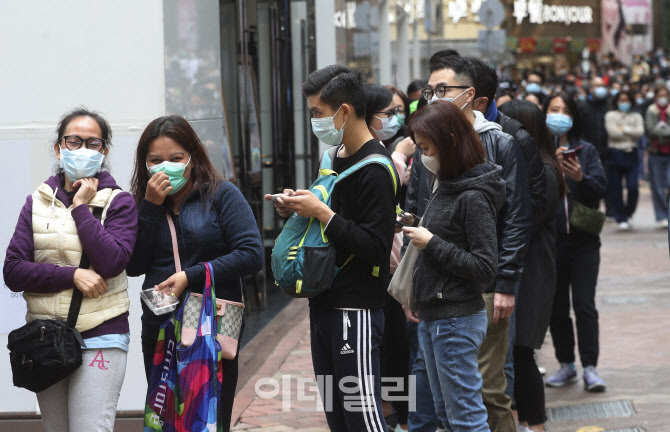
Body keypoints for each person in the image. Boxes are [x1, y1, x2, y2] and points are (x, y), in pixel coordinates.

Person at [267, 65, 397, 431]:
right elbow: (333, 222)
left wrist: (322, 213)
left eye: (317, 113)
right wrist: (300, 207)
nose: (314, 121)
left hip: (356, 307)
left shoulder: (376, 167)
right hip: (325, 300)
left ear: (344, 111)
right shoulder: (336, 156)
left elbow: (375, 247)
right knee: (338, 417)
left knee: (363, 417)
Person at [4, 108, 138, 432]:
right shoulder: (36, 202)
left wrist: (81, 209)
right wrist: (71, 275)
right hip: (46, 338)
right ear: (58, 148)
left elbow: (111, 263)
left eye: (92, 143)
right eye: (73, 141)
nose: (82, 150)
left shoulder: (118, 202)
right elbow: (13, 270)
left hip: (101, 333)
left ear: (104, 151)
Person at [127, 115, 263, 430]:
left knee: (211, 417)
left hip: (216, 318)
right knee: (167, 418)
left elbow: (251, 254)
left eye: (175, 159)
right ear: (144, 164)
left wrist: (192, 275)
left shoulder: (222, 195)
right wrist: (149, 206)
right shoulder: (142, 204)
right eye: (156, 160)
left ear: (192, 158)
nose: (166, 167)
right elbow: (133, 265)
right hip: (161, 321)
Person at [421, 55, 531, 432]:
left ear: (470, 95)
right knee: (448, 403)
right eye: (429, 90)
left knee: (485, 391)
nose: (433, 98)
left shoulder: (499, 144)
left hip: (477, 287)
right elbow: (422, 210)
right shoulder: (433, 149)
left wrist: (505, 283)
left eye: (442, 91)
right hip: (436, 291)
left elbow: (516, 217)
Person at [405, 100, 505, 432]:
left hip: (456, 319)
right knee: (448, 418)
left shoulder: (472, 195)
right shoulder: (447, 185)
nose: (422, 155)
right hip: (436, 315)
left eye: (426, 147)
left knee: (466, 418)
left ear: (448, 141)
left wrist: (431, 242)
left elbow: (484, 265)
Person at [500, 100, 564, 432]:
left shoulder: (544, 171)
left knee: (522, 353)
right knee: (518, 354)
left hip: (532, 274)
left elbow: (524, 222)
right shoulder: (530, 165)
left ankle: (535, 425)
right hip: (523, 271)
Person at [543, 93, 608, 393]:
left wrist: (580, 177)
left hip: (584, 242)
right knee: (557, 308)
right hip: (551, 244)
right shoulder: (539, 151)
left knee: (584, 304)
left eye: (564, 110)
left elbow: (599, 189)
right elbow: (532, 196)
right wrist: (552, 170)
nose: (559, 115)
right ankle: (566, 364)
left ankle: (591, 367)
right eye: (554, 110)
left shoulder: (587, 150)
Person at [365, 83, 411, 431]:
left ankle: (399, 414)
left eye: (399, 111)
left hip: (395, 268)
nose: (396, 118)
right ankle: (386, 414)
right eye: (389, 112)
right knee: (382, 351)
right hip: (376, 271)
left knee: (397, 350)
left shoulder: (381, 152)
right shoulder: (374, 158)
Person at [604, 90, 645, 230]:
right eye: (621, 100)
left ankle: (628, 213)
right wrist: (630, 131)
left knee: (633, 186)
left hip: (631, 153)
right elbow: (613, 133)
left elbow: (640, 132)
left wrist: (624, 129)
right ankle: (620, 217)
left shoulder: (636, 116)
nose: (624, 103)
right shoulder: (610, 115)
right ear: (616, 101)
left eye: (626, 100)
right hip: (614, 154)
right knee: (615, 188)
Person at [645, 85, 670, 228]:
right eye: (660, 95)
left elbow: (657, 130)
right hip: (656, 153)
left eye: (665, 95)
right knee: (658, 187)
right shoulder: (651, 111)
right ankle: (661, 215)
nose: (663, 98)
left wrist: (662, 130)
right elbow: (651, 129)